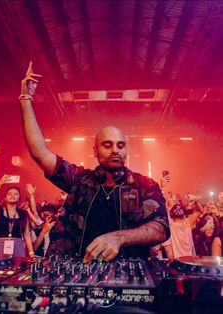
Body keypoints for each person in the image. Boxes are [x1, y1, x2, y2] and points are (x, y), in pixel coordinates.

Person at [19, 62, 170, 262]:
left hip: (128, 271)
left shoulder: (145, 185)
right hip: (78, 270)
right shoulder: (80, 180)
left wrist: (118, 238)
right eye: (107, 145)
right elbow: (40, 152)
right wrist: (25, 99)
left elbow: (160, 228)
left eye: (121, 145)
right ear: (95, 151)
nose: (115, 150)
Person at [0, 175, 34, 257]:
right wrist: (0, 184)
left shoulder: (23, 214)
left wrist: (31, 253)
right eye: (9, 194)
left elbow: (26, 234)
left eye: (16, 194)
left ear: (19, 198)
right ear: (5, 198)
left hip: (17, 246)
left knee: (17, 268)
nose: (12, 195)